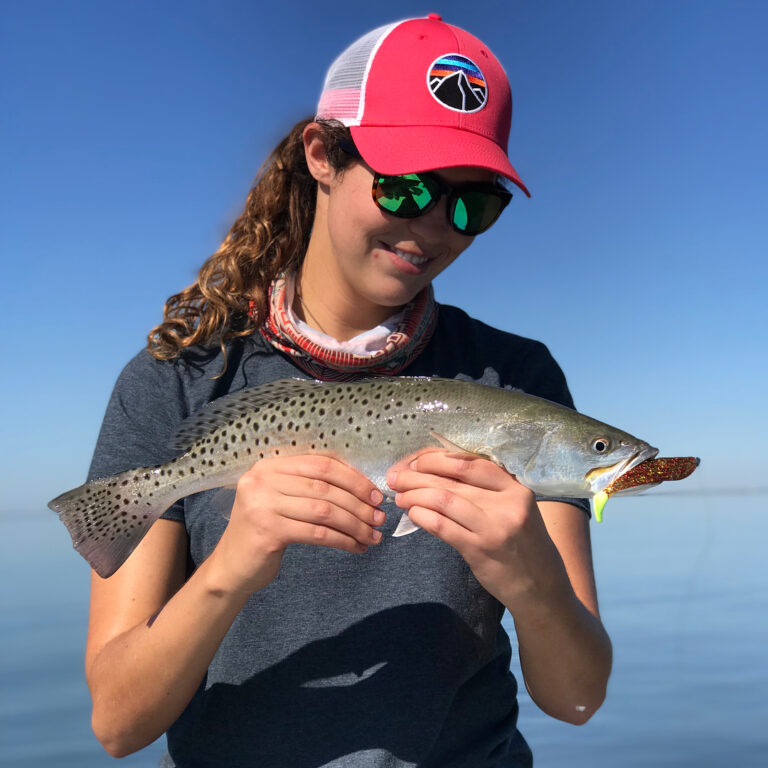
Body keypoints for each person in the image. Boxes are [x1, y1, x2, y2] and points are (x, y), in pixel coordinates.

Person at [84, 15, 612, 767]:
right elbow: (117, 723)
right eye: (406, 188)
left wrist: (533, 584)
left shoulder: (519, 381)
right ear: (323, 155)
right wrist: (232, 567)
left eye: (472, 204)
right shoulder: (177, 377)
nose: (433, 228)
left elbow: (578, 699)